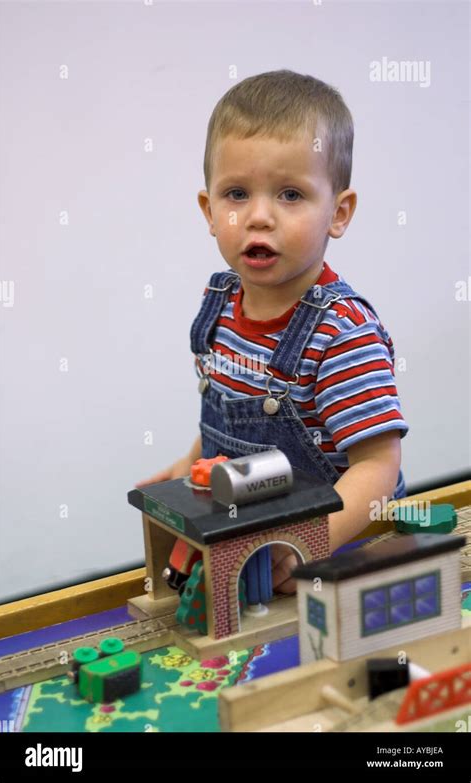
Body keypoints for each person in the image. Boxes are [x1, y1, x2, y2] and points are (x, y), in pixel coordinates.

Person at [136, 69, 409, 593]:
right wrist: (188, 466)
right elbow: (227, 414)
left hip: (339, 550)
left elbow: (377, 466)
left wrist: (311, 542)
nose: (258, 217)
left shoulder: (340, 332)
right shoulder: (218, 306)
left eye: (290, 194)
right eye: (236, 194)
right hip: (253, 528)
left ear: (339, 211)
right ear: (209, 211)